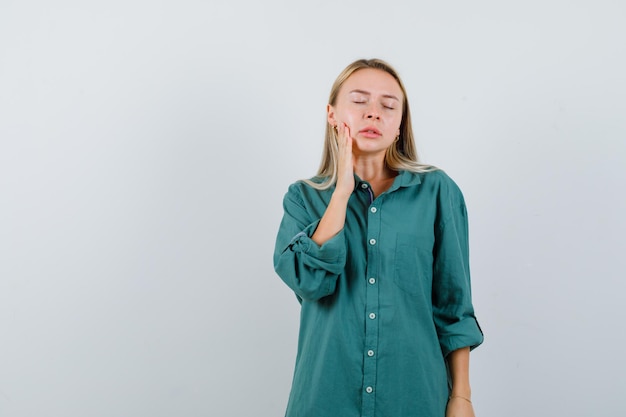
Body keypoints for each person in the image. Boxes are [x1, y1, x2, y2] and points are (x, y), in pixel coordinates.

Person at [273, 58, 483, 417]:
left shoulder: (437, 193)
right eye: (359, 101)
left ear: (399, 125)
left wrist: (461, 397)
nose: (374, 114)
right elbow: (309, 283)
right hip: (325, 400)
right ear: (331, 114)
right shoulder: (303, 198)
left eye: (388, 106)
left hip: (414, 398)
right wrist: (341, 191)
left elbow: (453, 306)